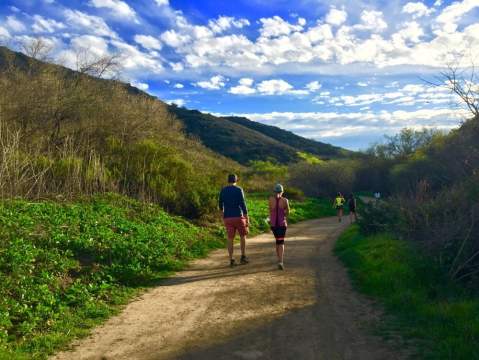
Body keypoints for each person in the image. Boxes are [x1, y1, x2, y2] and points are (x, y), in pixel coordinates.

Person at [219, 174, 249, 267]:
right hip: (238, 216)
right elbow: (243, 204)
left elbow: (220, 204)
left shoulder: (223, 190)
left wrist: (222, 215)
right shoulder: (239, 189)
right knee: (243, 236)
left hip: (228, 217)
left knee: (230, 238)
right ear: (236, 180)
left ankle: (231, 259)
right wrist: (247, 217)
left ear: (228, 180)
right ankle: (243, 257)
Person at [269, 184, 290, 270]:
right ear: (282, 192)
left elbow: (270, 210)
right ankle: (280, 261)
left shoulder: (270, 199)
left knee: (278, 241)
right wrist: (285, 215)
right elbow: (288, 211)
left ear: (274, 191)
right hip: (281, 224)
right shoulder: (285, 200)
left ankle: (279, 260)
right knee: (281, 242)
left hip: (273, 224)